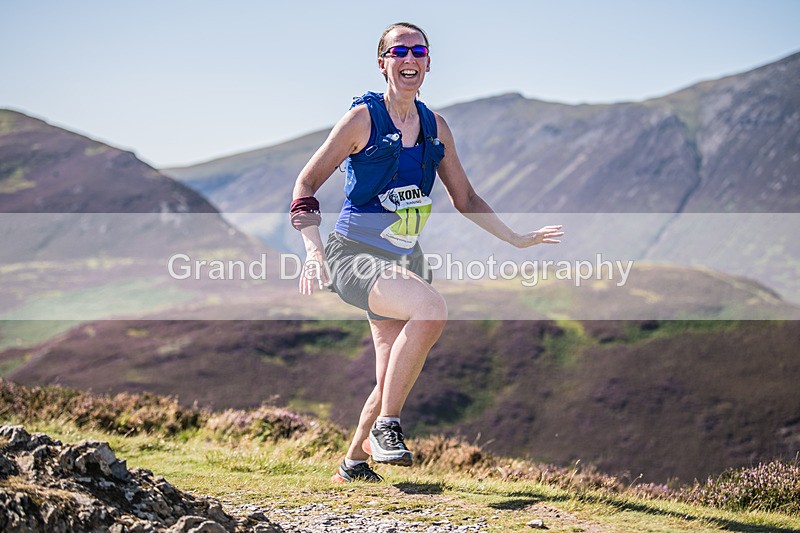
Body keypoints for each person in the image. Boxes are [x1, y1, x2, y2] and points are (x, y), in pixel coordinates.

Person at [290, 22, 564, 483]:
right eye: (398, 51)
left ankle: (353, 464)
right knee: (431, 309)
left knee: (389, 377)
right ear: (383, 63)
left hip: (404, 259)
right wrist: (314, 251)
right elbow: (305, 185)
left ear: (429, 62)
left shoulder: (436, 127)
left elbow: (467, 200)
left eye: (418, 50)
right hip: (353, 254)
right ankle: (388, 428)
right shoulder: (362, 120)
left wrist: (516, 238)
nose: (409, 58)